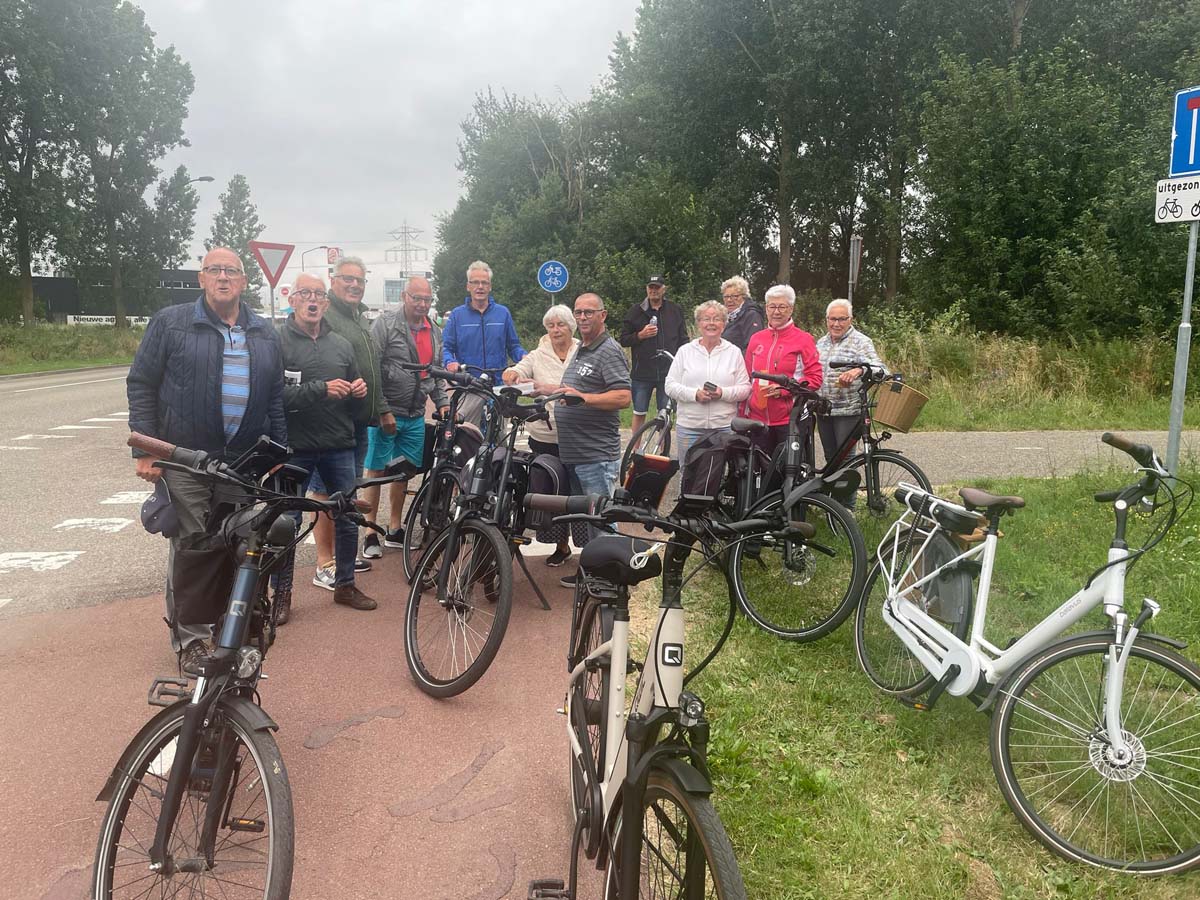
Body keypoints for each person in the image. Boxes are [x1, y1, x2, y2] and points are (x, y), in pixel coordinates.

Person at [127, 247, 286, 674]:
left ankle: (224, 626)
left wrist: (278, 455)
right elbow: (141, 382)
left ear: (243, 281)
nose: (222, 277)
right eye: (214, 270)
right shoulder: (172, 323)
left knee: (235, 543)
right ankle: (191, 641)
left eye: (231, 271)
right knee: (193, 547)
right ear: (201, 279)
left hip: (241, 462)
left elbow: (274, 398)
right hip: (186, 459)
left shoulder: (264, 333)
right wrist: (146, 449)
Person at [276, 273, 378, 616]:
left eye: (318, 294)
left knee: (347, 516)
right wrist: (320, 389)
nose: (313, 300)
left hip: (338, 444)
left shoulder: (341, 345)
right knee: (285, 521)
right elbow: (273, 396)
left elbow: (351, 396)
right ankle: (281, 596)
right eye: (305, 293)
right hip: (296, 447)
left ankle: (345, 585)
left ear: (326, 302)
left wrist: (358, 393)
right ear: (292, 299)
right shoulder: (278, 343)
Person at [534, 293, 631, 588]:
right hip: (576, 453)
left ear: (603, 315)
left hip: (596, 454)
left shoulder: (608, 350)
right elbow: (573, 388)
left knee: (602, 519)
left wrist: (585, 399)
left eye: (590, 312)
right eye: (579, 312)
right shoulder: (583, 348)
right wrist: (547, 389)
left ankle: (612, 580)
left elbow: (623, 396)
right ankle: (594, 572)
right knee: (589, 518)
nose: (584, 317)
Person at [311, 255, 385, 588]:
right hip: (329, 422)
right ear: (333, 280)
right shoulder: (327, 314)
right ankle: (323, 561)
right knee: (324, 492)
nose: (355, 285)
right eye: (348, 279)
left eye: (360, 280)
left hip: (357, 421)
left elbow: (370, 367)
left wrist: (379, 406)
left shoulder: (358, 317)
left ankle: (341, 556)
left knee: (347, 490)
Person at [362, 276, 449, 558]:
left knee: (404, 472)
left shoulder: (434, 331)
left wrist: (443, 403)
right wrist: (382, 409)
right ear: (404, 296)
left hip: (414, 414)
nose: (422, 304)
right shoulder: (385, 324)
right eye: (417, 298)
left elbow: (434, 373)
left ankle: (395, 528)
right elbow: (372, 368)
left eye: (427, 300)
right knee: (375, 471)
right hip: (386, 413)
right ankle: (370, 531)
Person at [503, 303, 580, 567]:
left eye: (561, 324)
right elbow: (520, 369)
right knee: (551, 493)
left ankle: (585, 545)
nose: (556, 329)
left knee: (577, 492)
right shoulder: (538, 353)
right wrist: (512, 373)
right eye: (551, 325)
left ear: (571, 326)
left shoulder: (583, 351)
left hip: (577, 435)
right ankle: (560, 545)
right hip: (545, 436)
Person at [665, 300, 751, 469]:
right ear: (698, 324)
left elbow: (745, 388)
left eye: (717, 319)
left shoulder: (733, 352)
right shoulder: (685, 351)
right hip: (690, 427)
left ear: (724, 324)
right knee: (689, 473)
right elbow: (670, 385)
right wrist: (694, 394)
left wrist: (722, 393)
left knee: (720, 475)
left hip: (723, 427)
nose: (711, 323)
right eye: (706, 319)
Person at [441, 260, 526, 425]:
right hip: (469, 385)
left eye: (484, 283)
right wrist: (450, 362)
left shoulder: (503, 313)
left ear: (490, 286)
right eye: (475, 282)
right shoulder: (457, 315)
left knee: (498, 438)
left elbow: (513, 346)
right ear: (468, 286)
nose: (480, 286)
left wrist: (524, 357)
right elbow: (446, 347)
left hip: (497, 386)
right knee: (465, 436)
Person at [742, 284, 823, 458]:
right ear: (766, 308)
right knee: (759, 476)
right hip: (758, 420)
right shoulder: (756, 339)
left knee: (786, 475)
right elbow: (746, 378)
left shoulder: (804, 339)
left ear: (791, 309)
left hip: (789, 420)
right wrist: (743, 413)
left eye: (782, 307)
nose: (776, 312)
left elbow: (815, 379)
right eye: (772, 306)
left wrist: (786, 390)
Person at [815, 298, 887, 465]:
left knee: (846, 461)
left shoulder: (861, 342)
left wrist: (859, 371)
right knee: (830, 459)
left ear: (850, 320)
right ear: (827, 320)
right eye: (833, 319)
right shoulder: (821, 343)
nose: (837, 324)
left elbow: (881, 370)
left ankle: (847, 492)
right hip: (823, 410)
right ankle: (831, 492)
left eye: (842, 319)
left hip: (847, 412)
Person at [619, 274, 689, 435]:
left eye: (657, 288)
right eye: (651, 287)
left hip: (668, 372)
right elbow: (623, 339)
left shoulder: (674, 310)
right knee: (639, 413)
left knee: (664, 415)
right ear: (646, 289)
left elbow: (683, 339)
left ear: (664, 289)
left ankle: (661, 454)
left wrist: (682, 364)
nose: (653, 291)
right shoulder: (636, 311)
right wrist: (640, 335)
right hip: (642, 372)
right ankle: (635, 453)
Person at [719, 276, 765, 353]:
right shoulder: (726, 317)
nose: (729, 300)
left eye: (735, 296)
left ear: (744, 297)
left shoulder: (752, 315)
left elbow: (753, 347)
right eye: (726, 297)